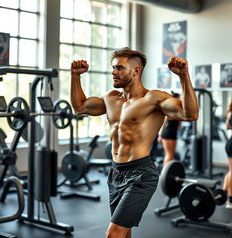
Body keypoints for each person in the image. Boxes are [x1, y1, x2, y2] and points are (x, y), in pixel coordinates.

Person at [70, 47, 198, 238]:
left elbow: (190, 114)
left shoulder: (154, 98)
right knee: (124, 231)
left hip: (141, 174)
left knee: (113, 234)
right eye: (113, 68)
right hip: (115, 173)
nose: (114, 72)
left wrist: (184, 77)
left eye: (119, 68)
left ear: (136, 71)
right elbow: (79, 107)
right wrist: (75, 76)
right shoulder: (111, 98)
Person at [158, 92, 181, 165]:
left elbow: (179, 123)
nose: (179, 100)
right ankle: (165, 174)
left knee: (171, 155)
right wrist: (160, 135)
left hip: (173, 133)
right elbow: (163, 123)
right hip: (167, 133)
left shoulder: (178, 109)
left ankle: (170, 172)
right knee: (169, 155)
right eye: (178, 98)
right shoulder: (169, 109)